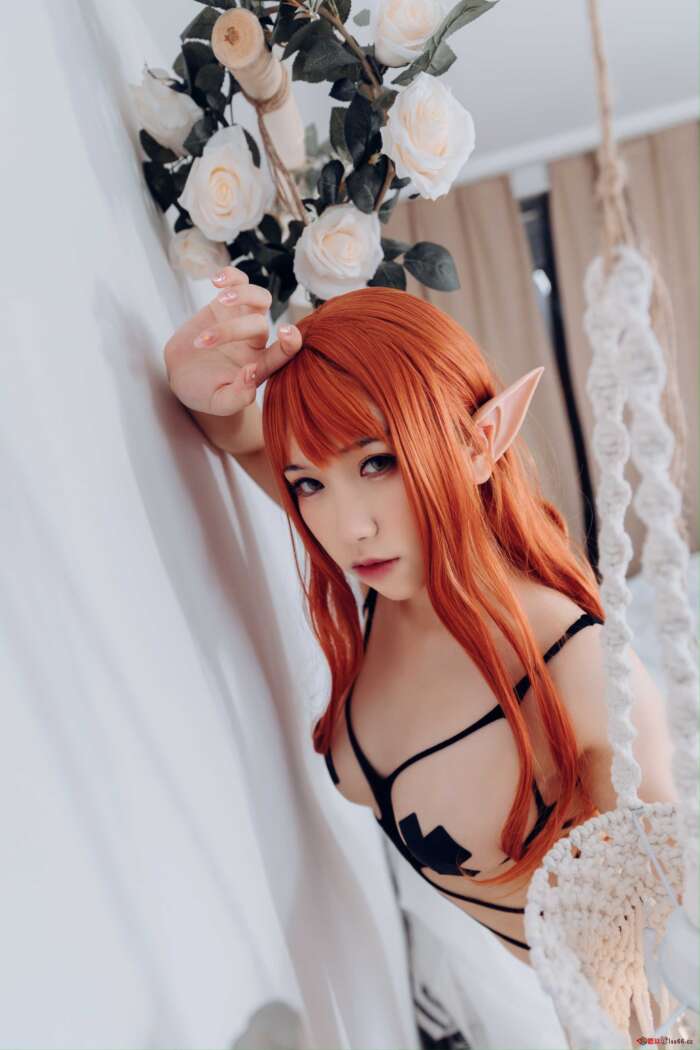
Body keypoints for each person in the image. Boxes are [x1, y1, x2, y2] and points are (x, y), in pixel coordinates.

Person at [164, 264, 677, 971]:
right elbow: (243, 436)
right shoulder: (391, 576)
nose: (349, 528)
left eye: (378, 464)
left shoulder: (580, 670)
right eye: (309, 483)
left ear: (479, 444)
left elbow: (678, 932)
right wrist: (194, 374)